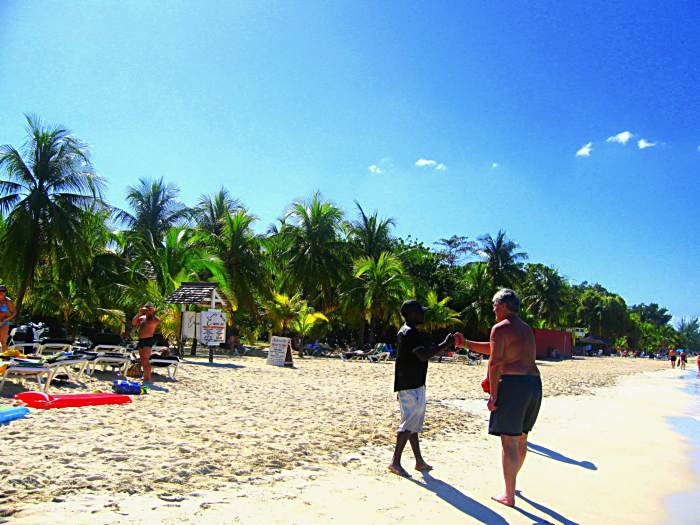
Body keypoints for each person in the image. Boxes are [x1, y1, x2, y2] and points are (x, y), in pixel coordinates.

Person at [459, 289, 541, 508]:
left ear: (503, 305)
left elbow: (495, 363)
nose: (493, 309)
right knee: (522, 437)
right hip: (533, 385)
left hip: (513, 387)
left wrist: (493, 395)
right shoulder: (525, 329)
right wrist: (465, 343)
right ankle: (511, 485)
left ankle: (509, 494)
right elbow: (496, 349)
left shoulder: (500, 328)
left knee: (509, 442)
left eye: (495, 305)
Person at [388, 299, 454, 478]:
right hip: (410, 384)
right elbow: (424, 355)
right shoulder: (410, 332)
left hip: (412, 384)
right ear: (411, 314)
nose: (423, 314)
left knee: (413, 424)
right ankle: (395, 462)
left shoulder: (407, 331)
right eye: (420, 311)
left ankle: (419, 461)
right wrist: (445, 344)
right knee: (408, 424)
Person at [131, 302, 159, 383]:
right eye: (146, 309)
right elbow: (133, 323)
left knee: (146, 359)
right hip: (141, 340)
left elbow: (154, 321)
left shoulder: (155, 319)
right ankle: (145, 376)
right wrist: (139, 313)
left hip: (148, 340)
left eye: (149, 309)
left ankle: (148, 378)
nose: (147, 311)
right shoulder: (142, 317)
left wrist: (151, 312)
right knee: (142, 360)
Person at [0, 286, 16, 353]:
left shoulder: (8, 301)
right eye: (0, 291)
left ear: (5, 292)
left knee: (3, 341)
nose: (1, 292)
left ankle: (4, 359)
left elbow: (14, 313)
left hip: (4, 322)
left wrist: (5, 320)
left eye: (3, 291)